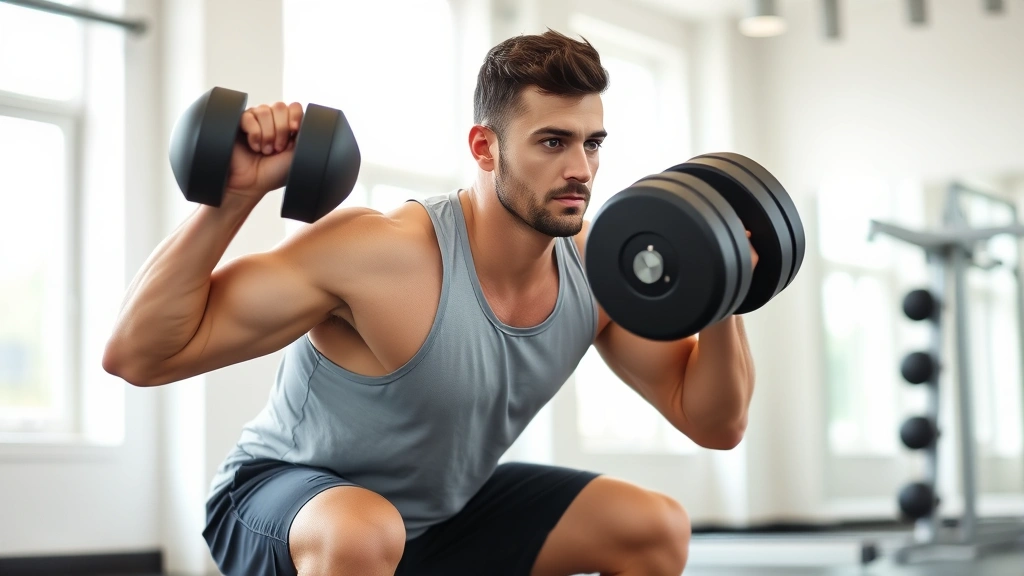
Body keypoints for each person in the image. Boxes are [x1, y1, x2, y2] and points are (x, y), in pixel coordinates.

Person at [103, 29, 757, 576]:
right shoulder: (378, 252)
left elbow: (713, 424)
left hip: (441, 516)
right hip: (288, 502)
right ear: (484, 147)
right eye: (553, 142)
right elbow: (138, 355)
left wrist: (724, 286)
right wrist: (234, 196)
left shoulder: (596, 268)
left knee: (653, 527)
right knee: (364, 531)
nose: (581, 170)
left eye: (592, 144)